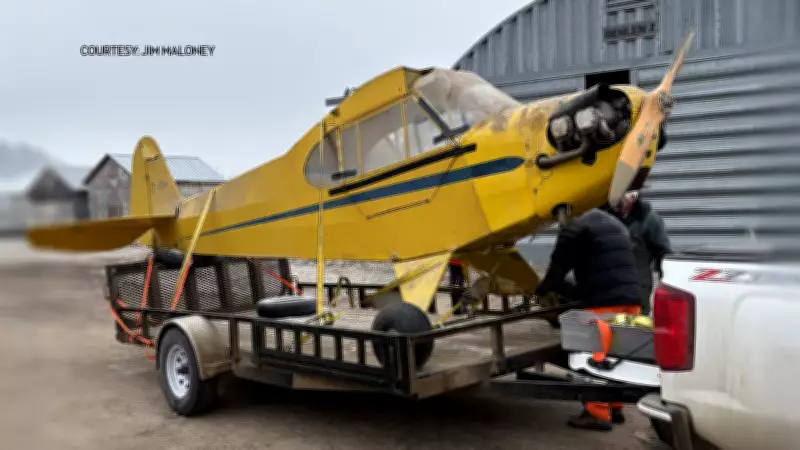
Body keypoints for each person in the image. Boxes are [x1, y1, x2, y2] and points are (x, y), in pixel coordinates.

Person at [535, 208, 642, 431]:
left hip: (604, 301)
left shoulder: (573, 228)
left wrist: (542, 289)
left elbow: (557, 268)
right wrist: (576, 291)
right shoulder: (613, 223)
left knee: (596, 356)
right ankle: (615, 406)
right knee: (618, 354)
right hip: (631, 298)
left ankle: (597, 413)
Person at [611, 191, 672, 315]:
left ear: (633, 197)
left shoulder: (649, 220)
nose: (617, 205)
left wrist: (666, 288)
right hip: (610, 291)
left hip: (637, 291)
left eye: (622, 200)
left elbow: (663, 254)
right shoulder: (608, 218)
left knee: (635, 329)